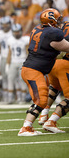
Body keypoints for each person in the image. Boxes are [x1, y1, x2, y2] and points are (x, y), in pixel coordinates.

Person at [18, 8, 69, 136]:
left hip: (31, 68)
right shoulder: (53, 33)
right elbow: (66, 47)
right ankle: (25, 128)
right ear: (51, 21)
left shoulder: (38, 29)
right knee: (41, 98)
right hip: (33, 70)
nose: (59, 22)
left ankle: (30, 125)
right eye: (57, 20)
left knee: (42, 97)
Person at [37, 21, 69, 133]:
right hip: (65, 65)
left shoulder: (63, 25)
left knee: (54, 88)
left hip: (53, 63)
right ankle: (51, 121)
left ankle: (44, 114)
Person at [6, 24, 29, 104]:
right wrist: (7, 65)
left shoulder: (25, 40)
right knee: (10, 79)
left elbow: (27, 52)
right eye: (15, 32)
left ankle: (22, 99)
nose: (16, 33)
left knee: (22, 80)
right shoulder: (10, 40)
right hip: (13, 62)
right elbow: (9, 53)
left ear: (21, 31)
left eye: (18, 32)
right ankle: (10, 99)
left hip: (22, 62)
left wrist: (28, 63)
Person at [0, 16, 12, 103]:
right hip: (3, 57)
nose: (5, 26)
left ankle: (13, 97)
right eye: (3, 24)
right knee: (4, 78)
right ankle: (6, 98)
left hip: (13, 58)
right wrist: (1, 55)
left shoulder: (13, 32)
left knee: (12, 78)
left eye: (6, 24)